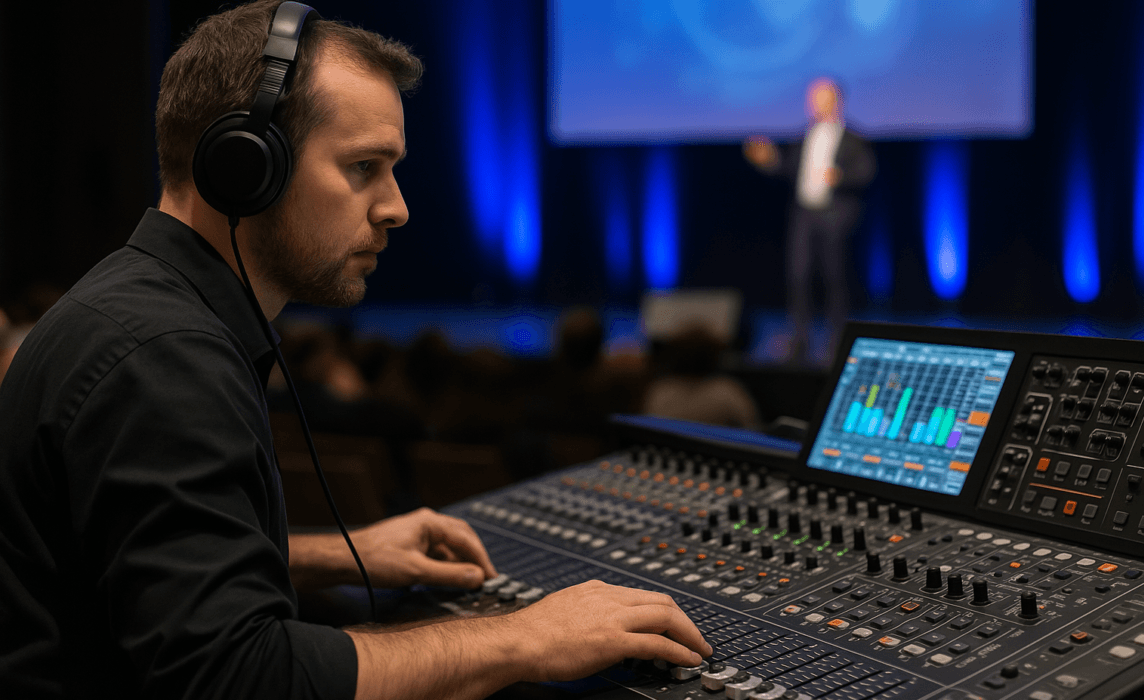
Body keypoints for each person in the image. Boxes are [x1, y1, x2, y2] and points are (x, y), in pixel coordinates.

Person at [0, 2, 711, 699]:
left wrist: (336, 554)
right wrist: (526, 637)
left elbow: (134, 568)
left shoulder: (137, 309)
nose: (396, 206)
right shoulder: (161, 358)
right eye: (364, 167)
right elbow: (237, 675)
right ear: (244, 167)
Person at [743, 77, 876, 365]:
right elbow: (790, 168)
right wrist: (769, 159)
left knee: (834, 278)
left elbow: (866, 172)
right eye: (811, 97)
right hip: (804, 214)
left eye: (818, 97)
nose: (812, 102)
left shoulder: (852, 138)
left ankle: (837, 340)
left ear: (835, 100)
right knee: (798, 276)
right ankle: (800, 338)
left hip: (834, 215)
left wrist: (841, 177)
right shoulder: (805, 135)